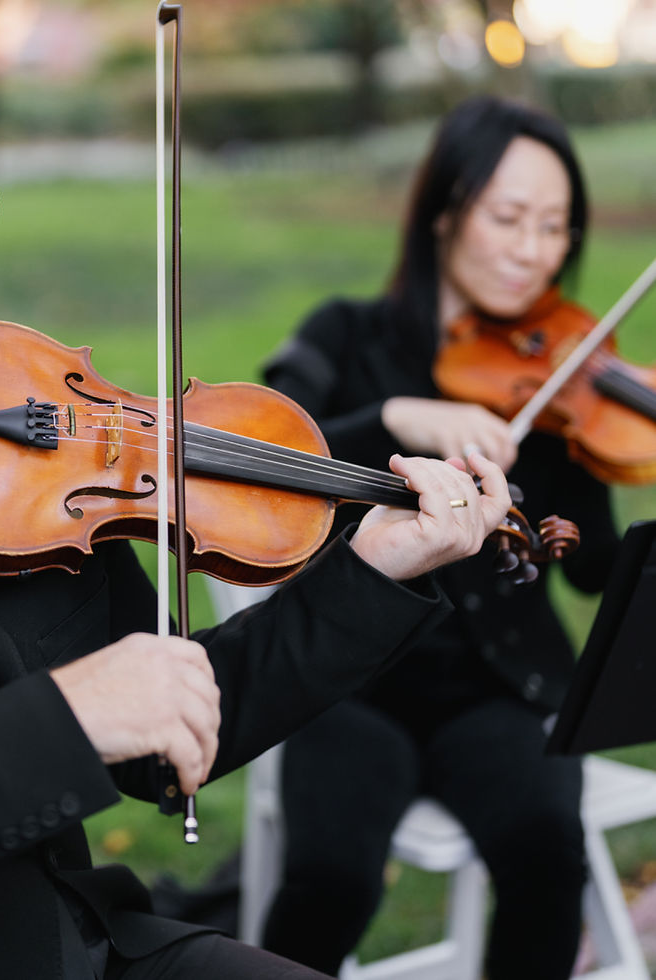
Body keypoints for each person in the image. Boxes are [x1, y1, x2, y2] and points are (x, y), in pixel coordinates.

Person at [0, 55, 511, 980]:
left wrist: (374, 573)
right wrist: (65, 718)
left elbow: (165, 727)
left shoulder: (9, 437)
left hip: (92, 951)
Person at [260, 95, 622, 979]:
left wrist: (593, 467)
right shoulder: (345, 333)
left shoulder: (564, 381)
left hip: (495, 690)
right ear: (445, 212)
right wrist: (394, 414)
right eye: (509, 218)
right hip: (348, 685)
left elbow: (594, 574)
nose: (534, 250)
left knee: (546, 852)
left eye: (555, 227)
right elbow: (263, 449)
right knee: (332, 878)